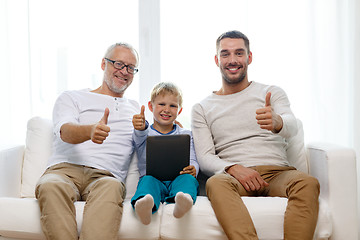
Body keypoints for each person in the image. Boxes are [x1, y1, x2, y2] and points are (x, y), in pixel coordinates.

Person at [191, 30, 320, 240]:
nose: (233, 60)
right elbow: (205, 158)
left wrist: (278, 122)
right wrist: (233, 168)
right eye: (225, 54)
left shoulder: (271, 92)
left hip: (277, 173)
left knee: (307, 182)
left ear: (249, 57)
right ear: (217, 60)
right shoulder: (202, 108)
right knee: (215, 184)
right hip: (235, 178)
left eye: (239, 53)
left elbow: (291, 124)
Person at [35, 42, 140, 240]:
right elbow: (65, 131)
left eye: (130, 68)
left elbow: (150, 141)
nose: (124, 71)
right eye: (118, 64)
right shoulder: (72, 97)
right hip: (64, 171)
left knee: (112, 187)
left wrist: (170, 126)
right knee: (50, 185)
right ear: (103, 64)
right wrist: (90, 131)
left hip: (106, 177)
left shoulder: (136, 109)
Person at [131, 82, 199, 225]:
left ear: (179, 111)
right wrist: (141, 126)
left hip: (178, 179)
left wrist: (193, 168)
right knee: (147, 181)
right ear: (151, 106)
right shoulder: (144, 133)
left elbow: (192, 158)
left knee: (188, 179)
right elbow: (139, 133)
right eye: (161, 104)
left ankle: (183, 200)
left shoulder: (186, 134)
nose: (167, 110)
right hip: (153, 180)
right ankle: (145, 204)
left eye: (173, 106)